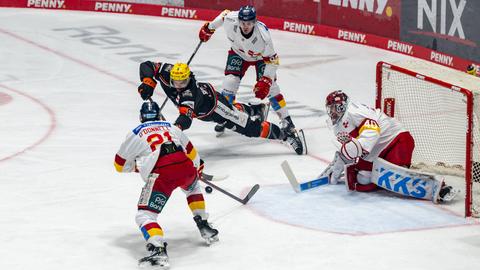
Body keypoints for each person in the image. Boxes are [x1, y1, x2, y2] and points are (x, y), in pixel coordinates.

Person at [114, 101, 219, 268]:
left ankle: (158, 249)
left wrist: (140, 166)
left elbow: (119, 165)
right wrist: (197, 168)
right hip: (185, 166)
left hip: (162, 175)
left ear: (141, 117)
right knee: (193, 188)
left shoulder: (135, 133)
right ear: (159, 115)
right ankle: (204, 224)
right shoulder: (171, 126)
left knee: (145, 215)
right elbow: (192, 152)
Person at [137, 61, 305, 155]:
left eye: (183, 82)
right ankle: (256, 110)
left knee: (249, 129)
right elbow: (147, 65)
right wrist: (148, 81)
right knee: (233, 109)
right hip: (204, 107)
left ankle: (286, 135)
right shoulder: (168, 71)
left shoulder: (189, 93)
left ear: (189, 78)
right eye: (176, 82)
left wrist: (173, 132)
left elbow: (185, 119)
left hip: (215, 109)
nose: (179, 85)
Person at [322, 90, 457, 202]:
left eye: (334, 108)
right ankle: (388, 172)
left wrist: (357, 147)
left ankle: (438, 187)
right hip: (375, 153)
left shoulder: (354, 111)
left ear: (341, 106)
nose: (332, 112)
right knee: (362, 179)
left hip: (396, 140)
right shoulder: (337, 125)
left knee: (392, 177)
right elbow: (351, 146)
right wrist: (342, 156)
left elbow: (372, 130)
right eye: (330, 109)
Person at [198, 5, 298, 138]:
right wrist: (210, 27)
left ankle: (287, 122)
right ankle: (226, 115)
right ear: (238, 20)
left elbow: (273, 61)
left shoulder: (263, 36)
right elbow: (224, 14)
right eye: (243, 23)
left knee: (272, 88)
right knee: (229, 83)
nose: (245, 26)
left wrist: (266, 80)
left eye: (249, 23)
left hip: (261, 58)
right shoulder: (231, 19)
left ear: (255, 22)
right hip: (238, 53)